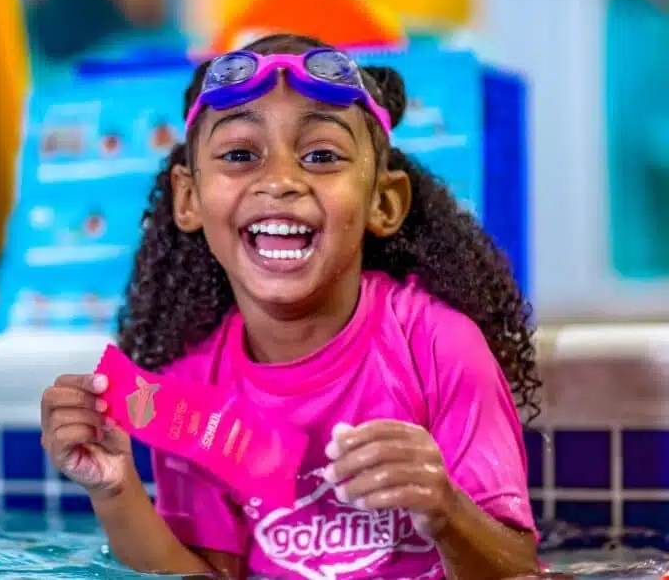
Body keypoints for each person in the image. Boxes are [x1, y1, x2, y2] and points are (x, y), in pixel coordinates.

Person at [40, 34, 541, 580]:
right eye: (239, 155)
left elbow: (517, 568)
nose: (279, 181)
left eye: (321, 155)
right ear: (190, 199)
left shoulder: (440, 347)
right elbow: (208, 576)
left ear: (383, 201)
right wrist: (114, 489)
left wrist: (446, 510)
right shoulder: (192, 389)